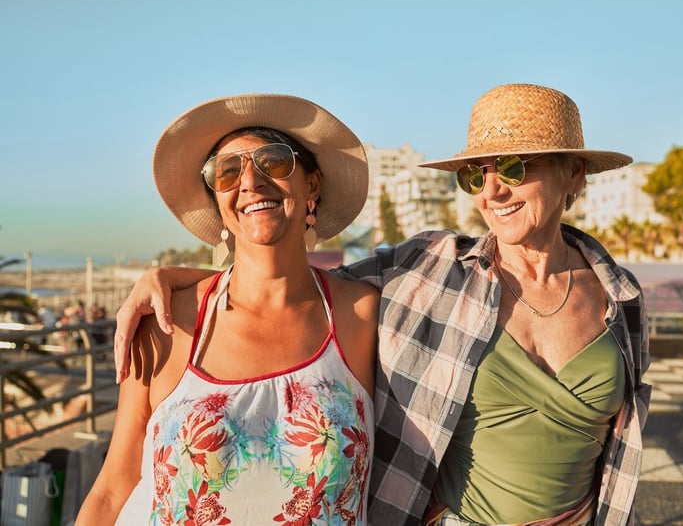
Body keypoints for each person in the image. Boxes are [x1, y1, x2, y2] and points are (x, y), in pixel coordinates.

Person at [114, 84, 651, 525]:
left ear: (574, 173)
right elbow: (281, 283)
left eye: (513, 167)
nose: (493, 190)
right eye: (475, 174)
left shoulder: (620, 298)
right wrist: (173, 279)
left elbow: (617, 452)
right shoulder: (431, 269)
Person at [77, 94, 379, 524]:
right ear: (218, 202)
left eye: (273, 162)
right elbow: (112, 488)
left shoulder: (364, 316)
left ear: (312, 185)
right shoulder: (165, 324)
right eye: (228, 172)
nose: (251, 183)